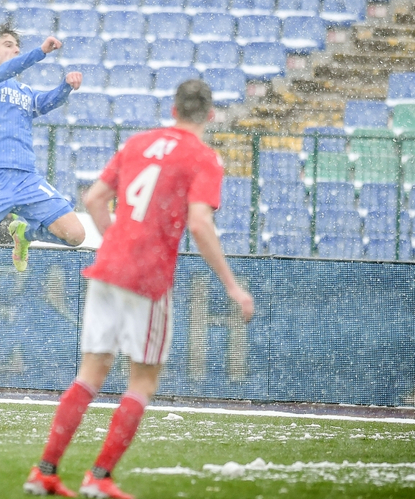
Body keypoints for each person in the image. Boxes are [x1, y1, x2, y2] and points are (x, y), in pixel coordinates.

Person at [24, 80, 255, 498]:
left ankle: (44, 471)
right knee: (143, 380)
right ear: (211, 115)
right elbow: (200, 224)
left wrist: (116, 241)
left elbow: (94, 199)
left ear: (173, 109)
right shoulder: (203, 157)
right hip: (147, 277)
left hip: (108, 266)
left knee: (91, 373)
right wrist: (234, 287)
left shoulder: (139, 143)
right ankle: (99, 477)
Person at [0, 23, 87, 272]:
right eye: (8, 44)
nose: (15, 50)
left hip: (25, 179)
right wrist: (40, 52)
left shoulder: (24, 91)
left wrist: (66, 86)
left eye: (17, 46)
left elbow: (46, 102)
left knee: (76, 236)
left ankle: (25, 232)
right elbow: (5, 71)